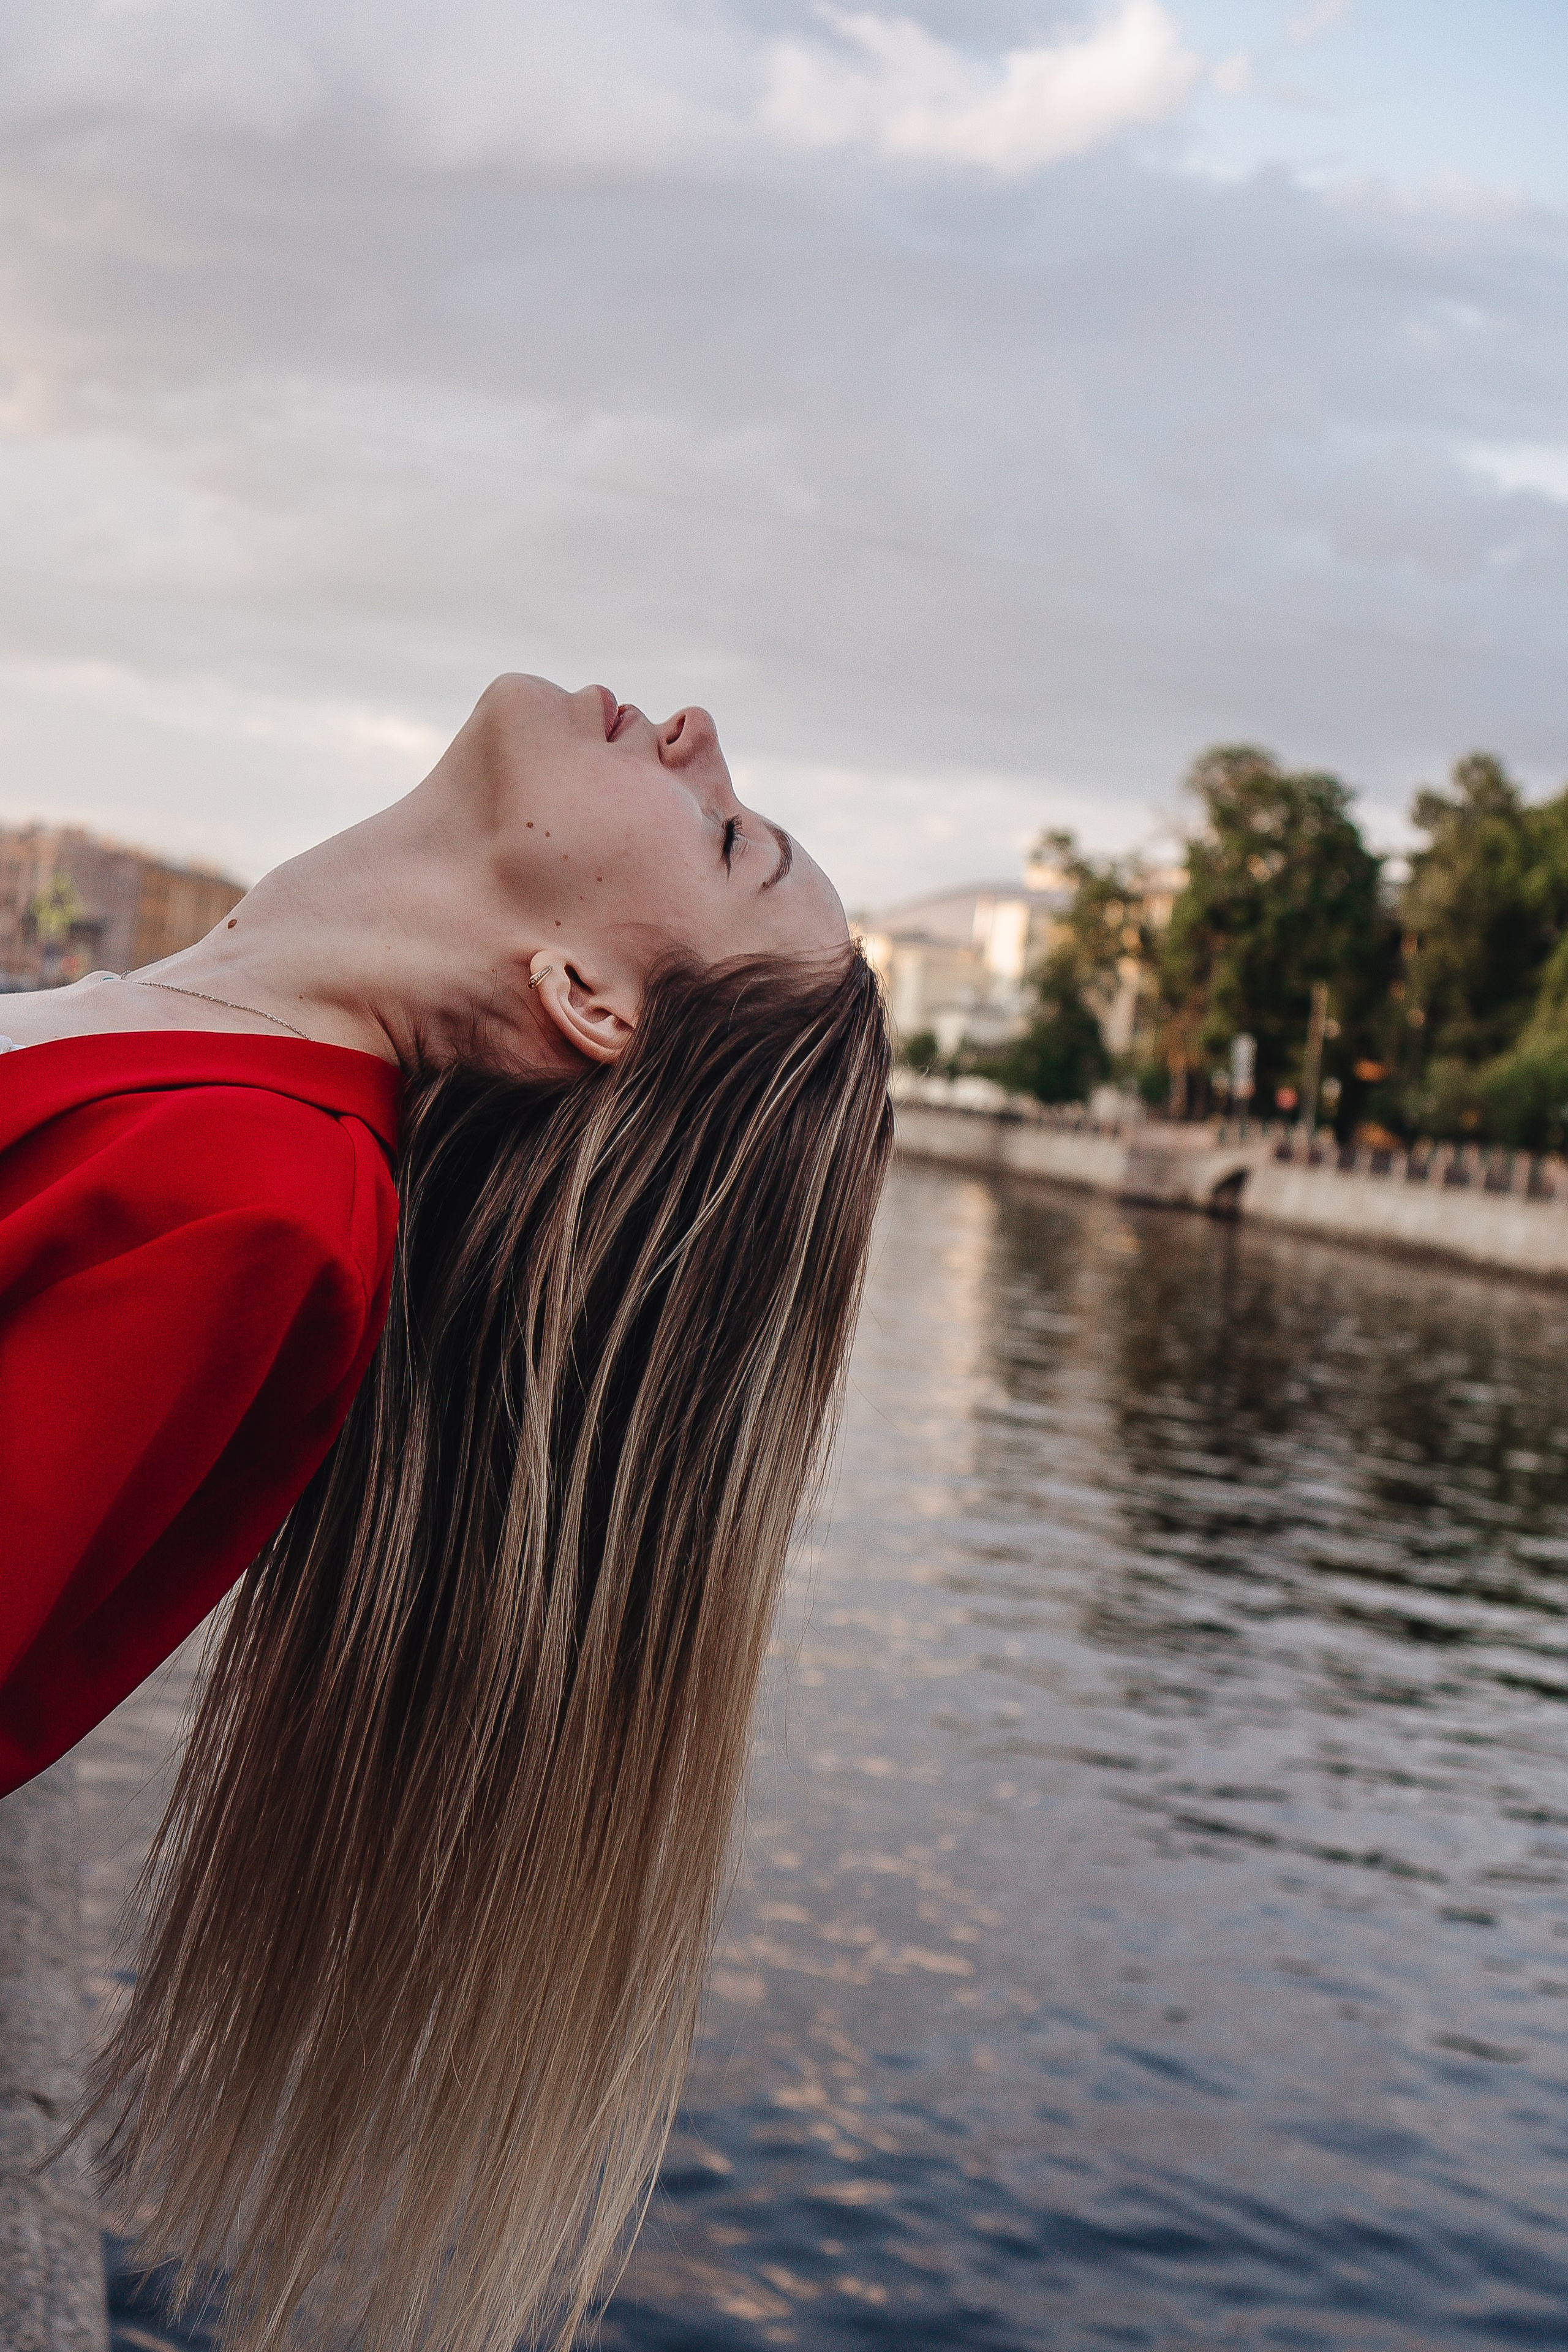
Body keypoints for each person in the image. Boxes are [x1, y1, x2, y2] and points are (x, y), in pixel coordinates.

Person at [0, 675, 893, 2352]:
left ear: (589, 995)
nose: (695, 725)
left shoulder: (266, 1208)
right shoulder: (190, 1074)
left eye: (726, 841)